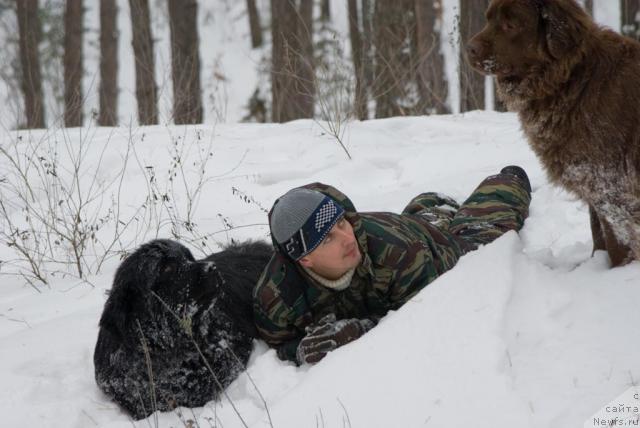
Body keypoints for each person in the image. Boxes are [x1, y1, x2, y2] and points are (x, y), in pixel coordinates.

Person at [253, 166, 531, 365]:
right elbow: (278, 342)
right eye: (327, 239)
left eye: (341, 223)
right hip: (400, 232)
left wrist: (364, 329)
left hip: (432, 251)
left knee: (485, 233)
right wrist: (300, 350)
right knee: (422, 221)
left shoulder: (400, 252)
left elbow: (426, 315)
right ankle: (432, 208)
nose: (347, 238)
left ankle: (505, 180)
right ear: (304, 259)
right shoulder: (277, 297)